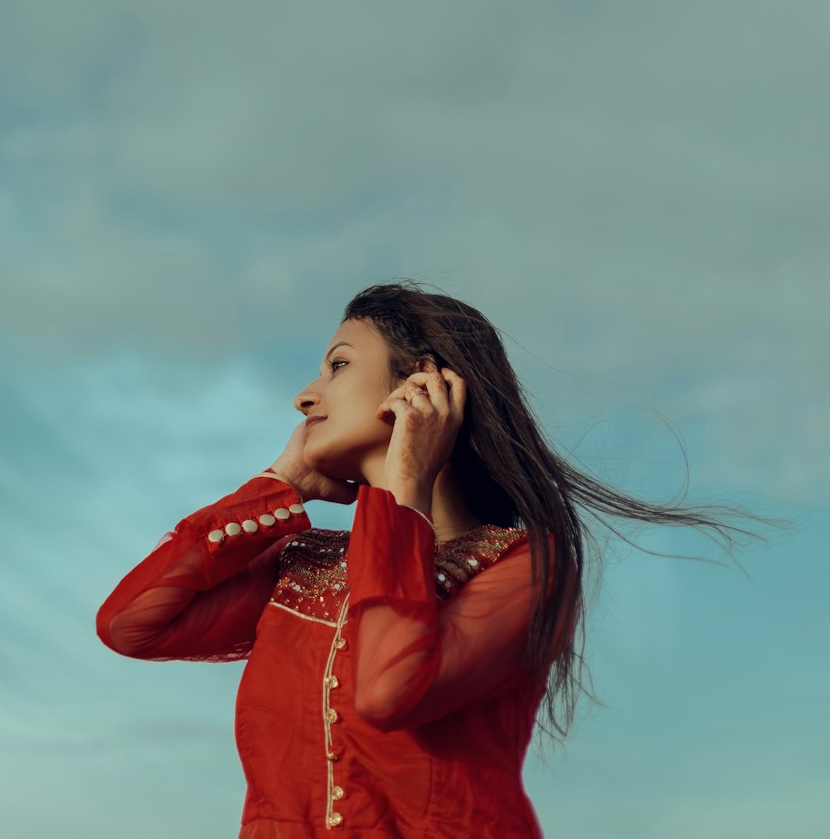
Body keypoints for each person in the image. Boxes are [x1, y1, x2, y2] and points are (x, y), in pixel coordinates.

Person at [96, 281, 775, 839]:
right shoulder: (299, 563)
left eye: (337, 366)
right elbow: (131, 624)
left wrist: (402, 491)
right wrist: (278, 483)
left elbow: (389, 690)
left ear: (421, 388)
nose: (306, 397)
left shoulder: (526, 566)